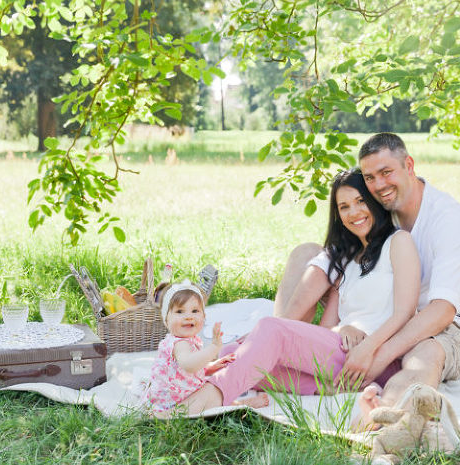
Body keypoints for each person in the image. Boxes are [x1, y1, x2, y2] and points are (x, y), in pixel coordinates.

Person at [278, 132, 460, 429]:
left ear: (409, 166)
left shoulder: (446, 219)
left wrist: (376, 351)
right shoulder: (381, 209)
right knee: (306, 255)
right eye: (370, 177)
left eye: (387, 172)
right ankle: (276, 343)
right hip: (383, 310)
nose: (379, 185)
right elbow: (337, 256)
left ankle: (384, 421)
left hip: (439, 327)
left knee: (423, 357)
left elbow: (442, 311)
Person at [176, 169, 420, 414]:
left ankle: (212, 396)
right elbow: (326, 330)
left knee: (271, 329)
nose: (353, 212)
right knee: (233, 355)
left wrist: (368, 345)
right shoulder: (347, 260)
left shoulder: (398, 242)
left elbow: (405, 312)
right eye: (344, 207)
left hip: (377, 357)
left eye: (360, 201)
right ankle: (324, 386)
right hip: (341, 354)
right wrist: (345, 328)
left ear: (375, 202)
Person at [143, 280, 268, 414]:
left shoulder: (185, 340)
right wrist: (213, 347)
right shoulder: (180, 344)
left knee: (210, 389)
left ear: (204, 316)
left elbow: (183, 372)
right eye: (180, 311)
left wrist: (209, 367)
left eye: (195, 311)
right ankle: (239, 405)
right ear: (166, 320)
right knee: (212, 391)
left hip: (173, 396)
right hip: (174, 405)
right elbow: (188, 365)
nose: (188, 317)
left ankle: (232, 404)